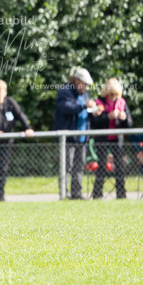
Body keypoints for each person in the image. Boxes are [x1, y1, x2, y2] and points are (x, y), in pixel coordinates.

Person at [0, 79, 34, 201]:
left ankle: (0, 195)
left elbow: (20, 115)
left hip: (6, 143)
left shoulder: (10, 103)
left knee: (2, 169)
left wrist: (28, 128)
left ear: (5, 91)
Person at [54, 67, 96, 200]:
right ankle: (64, 193)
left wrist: (94, 112)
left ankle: (76, 193)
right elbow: (66, 108)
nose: (86, 87)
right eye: (84, 84)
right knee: (67, 166)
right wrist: (85, 106)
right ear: (77, 81)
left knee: (80, 166)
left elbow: (85, 113)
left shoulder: (84, 94)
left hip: (82, 137)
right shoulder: (64, 92)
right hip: (69, 138)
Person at [90, 78, 133, 199]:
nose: (113, 97)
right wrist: (108, 117)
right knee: (102, 166)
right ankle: (97, 194)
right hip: (102, 138)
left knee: (119, 166)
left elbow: (129, 124)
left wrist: (124, 119)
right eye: (111, 94)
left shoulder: (122, 102)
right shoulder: (98, 103)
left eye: (116, 94)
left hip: (117, 139)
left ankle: (121, 194)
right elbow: (93, 122)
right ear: (106, 93)